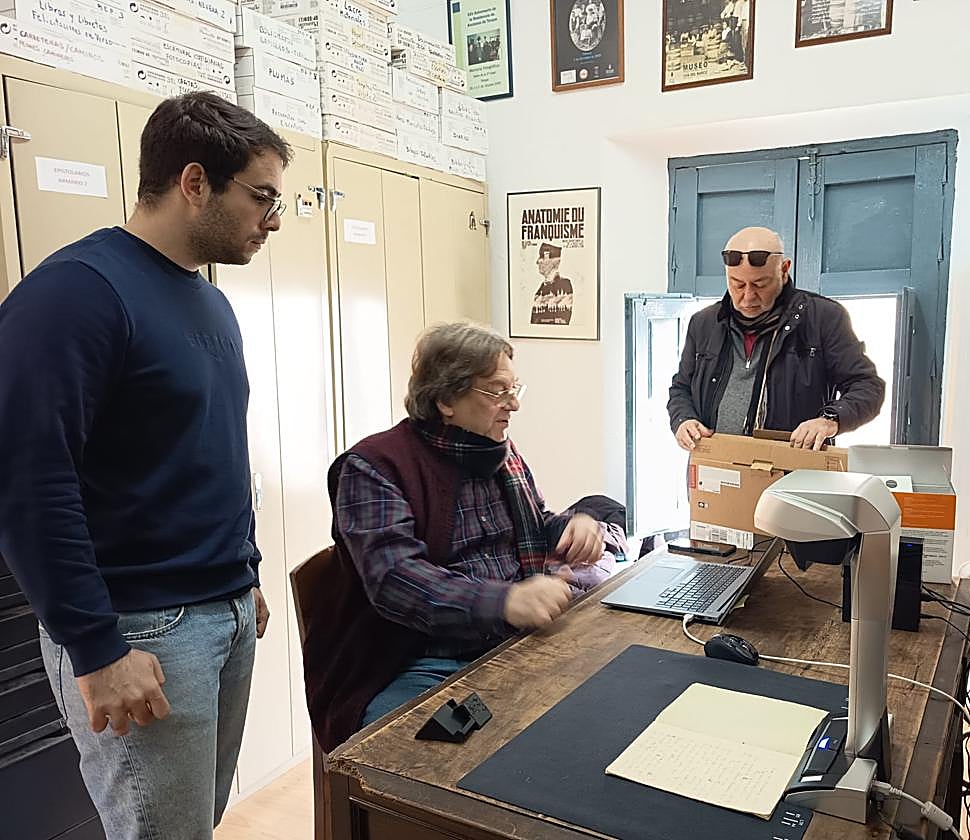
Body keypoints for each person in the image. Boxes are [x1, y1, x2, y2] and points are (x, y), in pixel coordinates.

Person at [0, 93, 290, 839]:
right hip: (141, 628)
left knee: (192, 826)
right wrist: (97, 649)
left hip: (222, 608)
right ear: (195, 182)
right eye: (262, 197)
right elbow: (28, 484)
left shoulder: (207, 301)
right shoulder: (76, 294)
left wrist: (243, 569)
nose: (274, 220)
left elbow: (209, 452)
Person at [302, 322, 604, 752]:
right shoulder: (373, 466)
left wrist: (574, 527)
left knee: (596, 713)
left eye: (514, 388)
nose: (514, 403)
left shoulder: (497, 450)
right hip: (413, 661)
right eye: (498, 391)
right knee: (466, 762)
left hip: (505, 643)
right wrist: (505, 602)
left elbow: (535, 523)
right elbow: (396, 580)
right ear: (445, 399)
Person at [668, 226, 884, 452]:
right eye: (737, 284)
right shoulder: (704, 323)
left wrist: (830, 420)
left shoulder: (823, 317)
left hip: (793, 467)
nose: (748, 297)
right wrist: (683, 419)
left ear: (784, 270)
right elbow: (681, 388)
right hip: (713, 464)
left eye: (760, 284)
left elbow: (868, 387)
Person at [530, 242, 575, 326]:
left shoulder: (564, 285)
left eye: (542, 257)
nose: (538, 261)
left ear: (554, 261)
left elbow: (561, 320)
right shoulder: (541, 289)